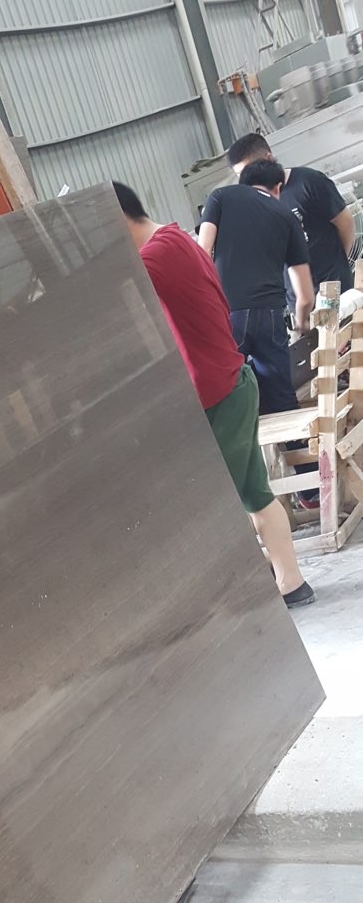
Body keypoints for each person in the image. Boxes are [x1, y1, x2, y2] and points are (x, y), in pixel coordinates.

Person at [113, 182, 314, 608]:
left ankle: (276, 585)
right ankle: (286, 579)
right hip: (228, 382)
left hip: (218, 391)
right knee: (251, 494)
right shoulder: (174, 238)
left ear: (117, 220)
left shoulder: (153, 258)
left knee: (225, 503)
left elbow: (105, 297)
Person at [199, 160, 314, 414]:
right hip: (271, 315)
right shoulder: (287, 215)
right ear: (278, 187)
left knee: (228, 395)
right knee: (282, 399)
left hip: (229, 312)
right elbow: (305, 295)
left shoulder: (220, 196)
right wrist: (301, 325)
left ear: (243, 182)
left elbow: (202, 254)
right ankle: (293, 437)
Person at [227, 131, 355, 298]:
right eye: (240, 175)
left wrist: (337, 265)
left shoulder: (309, 182)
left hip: (334, 288)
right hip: (295, 297)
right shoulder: (254, 202)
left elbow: (345, 222)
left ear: (269, 158)